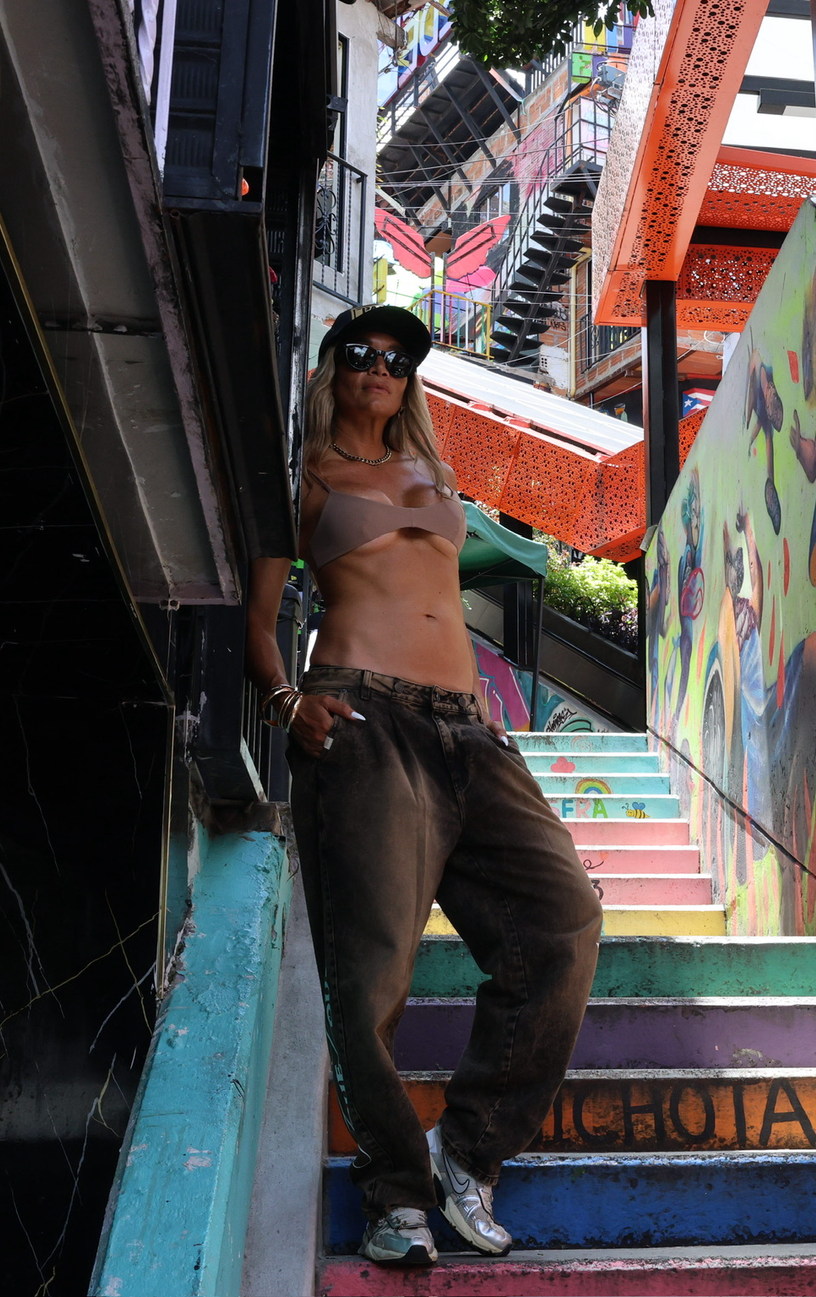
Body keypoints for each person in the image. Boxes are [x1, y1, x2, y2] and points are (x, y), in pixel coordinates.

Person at [244, 303, 602, 1268]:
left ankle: (466, 1146)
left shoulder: (434, 472)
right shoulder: (305, 478)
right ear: (332, 369)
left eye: (398, 358)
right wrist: (286, 704)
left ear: (411, 379)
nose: (379, 366)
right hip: (362, 720)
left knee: (564, 918)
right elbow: (260, 618)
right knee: (371, 978)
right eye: (360, 353)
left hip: (467, 729)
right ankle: (395, 1192)